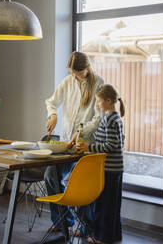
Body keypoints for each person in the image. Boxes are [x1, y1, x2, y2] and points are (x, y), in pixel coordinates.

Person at [44, 51, 104, 230]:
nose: (75, 77)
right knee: (50, 176)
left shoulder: (99, 84)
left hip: (83, 146)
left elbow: (98, 118)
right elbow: (51, 101)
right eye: (72, 73)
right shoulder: (67, 82)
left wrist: (80, 132)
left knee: (80, 185)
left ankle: (86, 227)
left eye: (78, 74)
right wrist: (53, 114)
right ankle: (63, 223)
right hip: (65, 144)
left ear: (87, 68)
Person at [76, 84, 125, 244]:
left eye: (99, 101)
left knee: (104, 206)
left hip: (109, 169)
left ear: (108, 101)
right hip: (116, 168)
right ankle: (114, 235)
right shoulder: (115, 117)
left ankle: (102, 238)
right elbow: (120, 140)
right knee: (113, 205)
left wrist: (89, 147)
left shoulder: (110, 118)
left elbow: (111, 145)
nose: (97, 104)